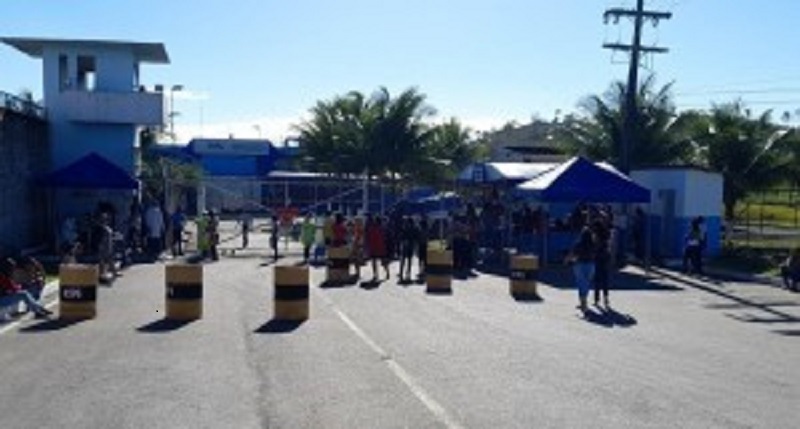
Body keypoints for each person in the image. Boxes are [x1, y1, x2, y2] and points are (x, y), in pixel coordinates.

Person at [566, 227, 596, 313]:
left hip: (579, 265)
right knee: (586, 283)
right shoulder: (593, 244)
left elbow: (572, 254)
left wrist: (567, 260)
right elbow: (595, 253)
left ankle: (583, 302)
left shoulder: (578, 244)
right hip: (590, 265)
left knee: (581, 283)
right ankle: (583, 301)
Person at [592, 219, 612, 307]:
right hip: (606, 258)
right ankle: (606, 298)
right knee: (605, 279)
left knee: (597, 280)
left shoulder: (596, 236)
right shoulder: (606, 234)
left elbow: (595, 247)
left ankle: (596, 299)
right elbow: (609, 247)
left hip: (598, 258)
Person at [366, 215, 389, 281]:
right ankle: (386, 272)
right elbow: (385, 238)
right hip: (380, 247)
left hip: (374, 247)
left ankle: (375, 274)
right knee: (383, 261)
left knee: (374, 262)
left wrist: (368, 246)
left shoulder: (372, 229)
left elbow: (369, 238)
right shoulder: (382, 229)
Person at [97, 213, 118, 280]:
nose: (105, 220)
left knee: (109, 260)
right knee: (103, 261)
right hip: (104, 246)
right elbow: (101, 238)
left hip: (108, 245)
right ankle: (102, 274)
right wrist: (102, 246)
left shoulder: (107, 228)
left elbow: (109, 237)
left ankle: (113, 273)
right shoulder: (102, 228)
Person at [398, 217, 417, 282]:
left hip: (406, 246)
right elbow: (415, 237)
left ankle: (403, 274)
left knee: (405, 261)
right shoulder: (412, 229)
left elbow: (401, 236)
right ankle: (406, 274)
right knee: (407, 261)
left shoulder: (405, 228)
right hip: (409, 246)